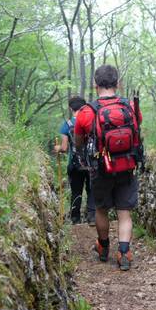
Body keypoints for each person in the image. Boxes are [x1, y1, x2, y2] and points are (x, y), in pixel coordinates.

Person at [74, 65, 143, 271]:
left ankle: (103, 247)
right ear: (118, 83)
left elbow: (79, 141)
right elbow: (137, 130)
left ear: (95, 85)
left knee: (101, 209)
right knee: (124, 213)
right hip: (127, 166)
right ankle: (124, 252)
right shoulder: (130, 107)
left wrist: (83, 156)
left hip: (101, 168)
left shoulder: (87, 112)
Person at [54, 96, 95, 225]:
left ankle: (75, 219)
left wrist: (57, 148)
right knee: (91, 189)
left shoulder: (67, 125)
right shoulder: (92, 122)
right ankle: (92, 217)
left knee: (76, 191)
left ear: (71, 108)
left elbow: (65, 148)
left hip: (74, 163)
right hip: (91, 162)